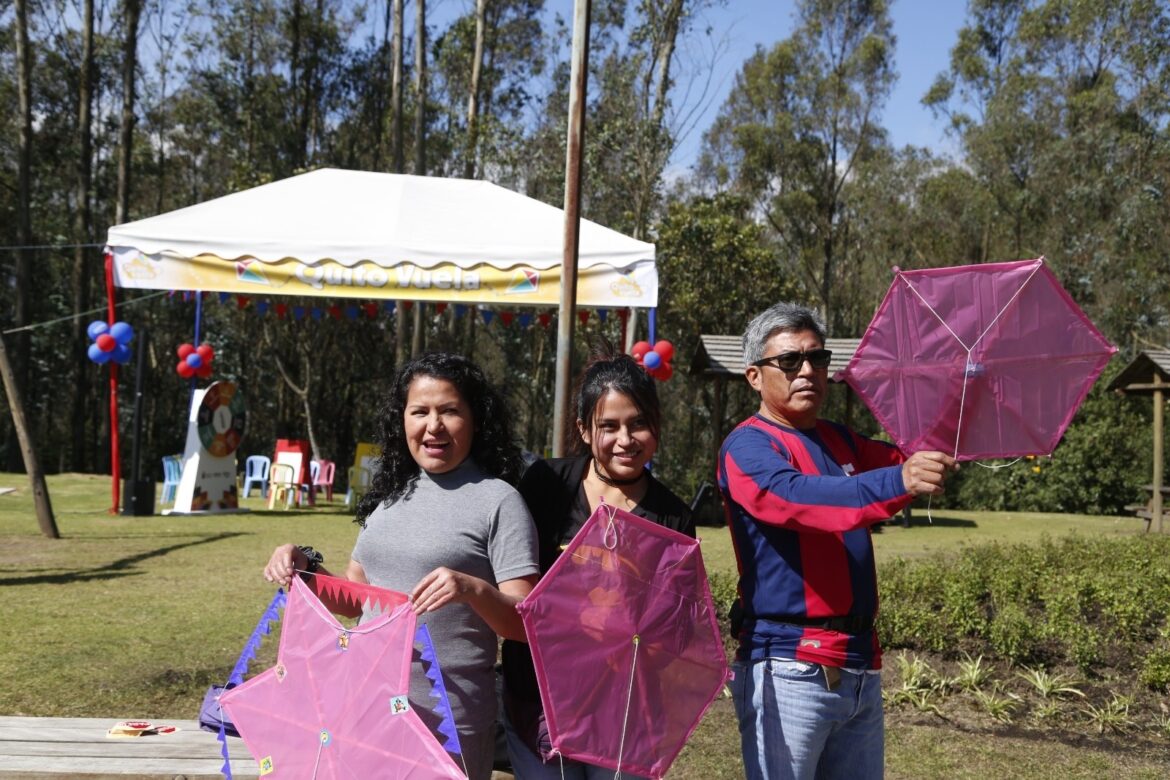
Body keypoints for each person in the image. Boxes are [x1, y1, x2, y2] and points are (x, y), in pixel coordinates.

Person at [263, 353, 539, 780]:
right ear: (402, 420)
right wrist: (305, 571)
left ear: (476, 420)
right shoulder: (391, 498)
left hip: (448, 723)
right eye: (420, 412)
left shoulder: (499, 500)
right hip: (364, 709)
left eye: (449, 411)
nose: (433, 426)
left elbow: (525, 625)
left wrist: (472, 589)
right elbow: (358, 601)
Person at [718, 303, 958, 780]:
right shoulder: (746, 447)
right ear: (753, 376)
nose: (807, 370)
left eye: (817, 358)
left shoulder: (838, 439)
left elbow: (902, 461)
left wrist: (948, 420)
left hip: (859, 665)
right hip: (788, 664)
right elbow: (799, 499)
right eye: (789, 361)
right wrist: (900, 479)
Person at [500, 346, 694, 780]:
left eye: (639, 424)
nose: (625, 440)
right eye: (609, 426)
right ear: (584, 430)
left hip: (624, 710)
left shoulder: (673, 516)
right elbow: (515, 580)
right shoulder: (547, 485)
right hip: (540, 700)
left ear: (657, 428)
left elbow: (675, 626)